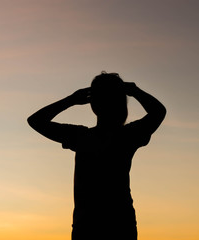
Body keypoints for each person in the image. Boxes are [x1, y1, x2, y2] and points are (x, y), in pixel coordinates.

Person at [27, 72, 166, 240]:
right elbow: (158, 112)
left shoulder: (82, 137)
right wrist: (135, 91)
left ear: (93, 105)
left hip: (87, 225)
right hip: (121, 224)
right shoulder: (128, 136)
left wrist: (70, 100)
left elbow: (36, 120)